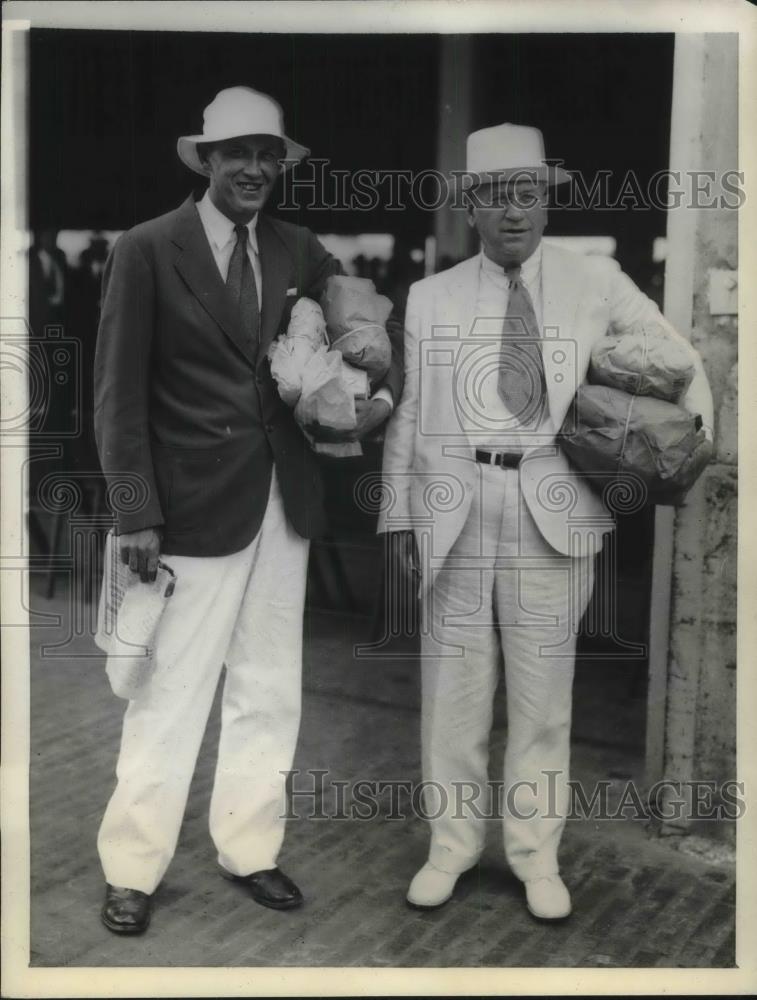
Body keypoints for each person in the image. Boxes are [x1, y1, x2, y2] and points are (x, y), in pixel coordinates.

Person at [379, 123, 714, 920]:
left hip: (552, 507)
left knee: (541, 700)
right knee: (453, 696)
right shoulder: (432, 296)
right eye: (495, 196)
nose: (513, 211)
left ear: (546, 200)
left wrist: (685, 445)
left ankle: (535, 858)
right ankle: (450, 849)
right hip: (456, 511)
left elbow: (680, 361)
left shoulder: (593, 281)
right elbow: (411, 415)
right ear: (469, 207)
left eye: (526, 194)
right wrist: (396, 517)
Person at [94, 86, 401, 935]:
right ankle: (131, 868)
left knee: (268, 686)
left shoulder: (300, 247)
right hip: (188, 509)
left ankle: (250, 847)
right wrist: (134, 512)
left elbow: (370, 332)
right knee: (169, 690)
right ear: (207, 160)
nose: (255, 169)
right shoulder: (146, 249)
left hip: (283, 500)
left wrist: (375, 399)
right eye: (238, 154)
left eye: (268, 155)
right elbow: (116, 393)